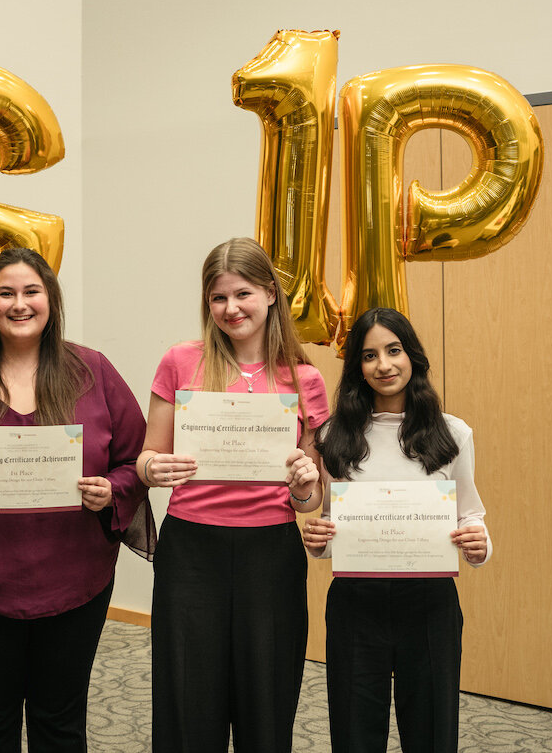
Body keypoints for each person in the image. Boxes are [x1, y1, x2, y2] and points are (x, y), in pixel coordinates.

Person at [0, 247, 153, 752]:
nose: (19, 304)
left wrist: (113, 489)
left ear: (50, 300)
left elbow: (135, 461)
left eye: (31, 292)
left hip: (75, 580)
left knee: (60, 721)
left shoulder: (94, 371)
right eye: (6, 293)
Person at [138, 236, 329, 753]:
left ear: (270, 293)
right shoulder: (180, 361)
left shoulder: (305, 378)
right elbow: (146, 457)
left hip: (270, 554)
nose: (230, 308)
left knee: (266, 703)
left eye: (242, 294)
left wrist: (307, 488)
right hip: (192, 550)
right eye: (218, 298)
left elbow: (311, 503)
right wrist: (158, 468)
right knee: (186, 701)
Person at [303, 307, 491, 753]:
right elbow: (331, 532)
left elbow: (470, 513)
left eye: (394, 350)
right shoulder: (334, 436)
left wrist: (479, 543)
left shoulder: (453, 433)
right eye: (369, 356)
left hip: (429, 604)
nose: (384, 365)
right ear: (357, 368)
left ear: (413, 358)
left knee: (430, 730)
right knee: (354, 731)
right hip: (356, 603)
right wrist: (317, 542)